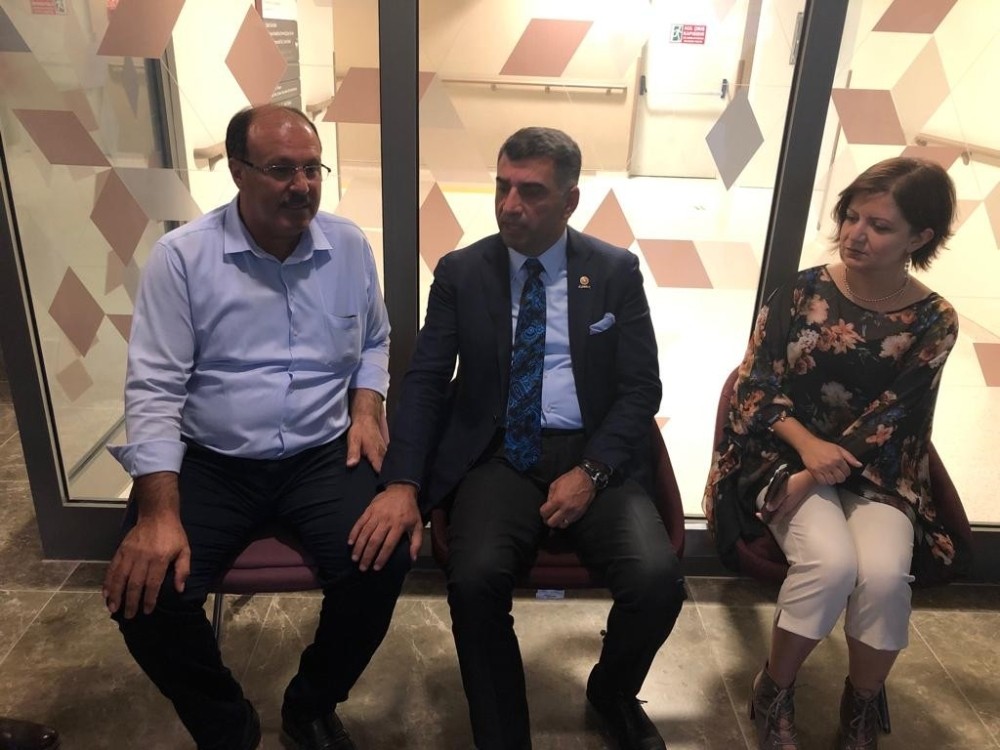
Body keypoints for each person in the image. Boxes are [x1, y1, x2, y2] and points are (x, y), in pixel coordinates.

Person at [349, 126, 685, 750]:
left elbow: (641, 388)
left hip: (592, 455)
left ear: (569, 201)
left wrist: (593, 472)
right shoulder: (462, 272)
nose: (509, 205)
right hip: (499, 453)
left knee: (657, 582)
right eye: (502, 187)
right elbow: (425, 382)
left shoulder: (613, 271)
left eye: (530, 192)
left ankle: (612, 692)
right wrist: (402, 481)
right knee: (474, 580)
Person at [102, 104, 412, 750]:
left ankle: (311, 705)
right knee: (147, 596)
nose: (302, 186)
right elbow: (154, 387)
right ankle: (228, 726)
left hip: (321, 453)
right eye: (281, 170)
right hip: (213, 459)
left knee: (380, 562)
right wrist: (157, 511)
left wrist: (366, 406)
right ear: (238, 172)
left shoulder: (349, 247)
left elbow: (375, 340)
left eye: (312, 169)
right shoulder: (183, 258)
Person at [703, 157, 968, 750]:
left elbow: (894, 416)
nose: (855, 234)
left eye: (879, 225)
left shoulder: (935, 320)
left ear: (919, 238)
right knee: (830, 565)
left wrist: (820, 471)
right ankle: (775, 689)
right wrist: (804, 457)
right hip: (781, 456)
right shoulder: (802, 290)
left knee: (884, 576)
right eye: (851, 217)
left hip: (878, 469)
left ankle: (862, 703)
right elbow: (754, 386)